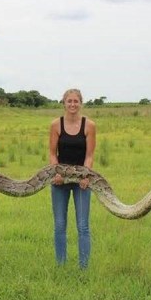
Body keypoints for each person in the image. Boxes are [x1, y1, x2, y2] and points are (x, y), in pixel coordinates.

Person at [49, 88, 97, 269]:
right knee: (60, 225)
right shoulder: (56, 125)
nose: (72, 104)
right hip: (60, 181)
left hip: (81, 181)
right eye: (69, 101)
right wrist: (57, 173)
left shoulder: (89, 125)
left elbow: (90, 155)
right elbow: (52, 154)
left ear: (81, 103)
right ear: (64, 103)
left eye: (76, 101)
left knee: (83, 226)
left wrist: (86, 175)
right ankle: (61, 265)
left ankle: (83, 267)